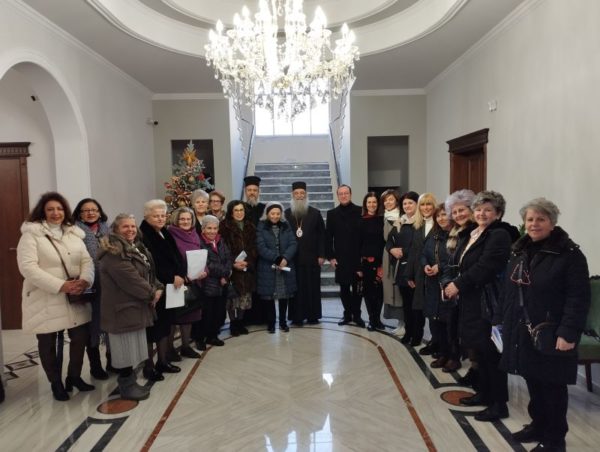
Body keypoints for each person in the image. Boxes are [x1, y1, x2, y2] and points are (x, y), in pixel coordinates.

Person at [500, 198, 590, 452]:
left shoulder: (569, 254)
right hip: (523, 329)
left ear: (552, 223)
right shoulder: (520, 251)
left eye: (541, 219)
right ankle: (538, 425)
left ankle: (554, 440)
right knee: (533, 381)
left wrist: (568, 333)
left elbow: (578, 298)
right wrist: (502, 322)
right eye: (530, 219)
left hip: (553, 331)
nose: (534, 224)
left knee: (552, 387)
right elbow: (510, 291)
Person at [17, 192, 95, 401]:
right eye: (50, 209)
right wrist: (60, 286)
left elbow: (86, 261)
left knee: (80, 337)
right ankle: (55, 383)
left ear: (65, 211)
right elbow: (28, 268)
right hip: (45, 296)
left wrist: (85, 280)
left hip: (75, 295)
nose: (56, 213)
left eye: (60, 209)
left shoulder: (73, 234)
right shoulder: (31, 235)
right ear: (42, 211)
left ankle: (74, 377)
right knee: (48, 341)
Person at [442, 190, 512, 422]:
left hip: (487, 302)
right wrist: (452, 283)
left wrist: (457, 285)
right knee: (479, 352)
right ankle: (483, 393)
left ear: (498, 213)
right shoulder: (474, 233)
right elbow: (461, 264)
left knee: (490, 354)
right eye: (479, 209)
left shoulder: (499, 235)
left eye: (488, 210)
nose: (482, 213)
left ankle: (498, 404)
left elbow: (486, 267)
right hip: (471, 300)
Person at [98, 214, 163, 400]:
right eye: (125, 226)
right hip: (122, 308)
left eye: (133, 226)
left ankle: (130, 382)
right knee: (124, 351)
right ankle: (126, 386)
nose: (131, 230)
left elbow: (148, 272)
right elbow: (131, 280)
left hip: (133, 306)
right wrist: (152, 293)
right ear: (116, 229)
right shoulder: (114, 251)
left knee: (131, 349)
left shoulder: (133, 246)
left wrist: (157, 286)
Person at [139, 199, 185, 379]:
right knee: (152, 329)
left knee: (165, 325)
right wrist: (172, 277)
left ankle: (163, 361)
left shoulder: (164, 231)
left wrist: (180, 273)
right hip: (155, 287)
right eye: (155, 216)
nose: (160, 219)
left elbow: (176, 256)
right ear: (146, 216)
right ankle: (149, 367)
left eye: (163, 215)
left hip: (171, 287)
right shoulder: (143, 234)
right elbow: (152, 263)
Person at [73, 198, 111, 380]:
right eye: (86, 210)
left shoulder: (107, 230)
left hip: (109, 285)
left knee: (110, 324)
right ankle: (95, 366)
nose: (90, 213)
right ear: (79, 214)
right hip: (88, 286)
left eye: (94, 209)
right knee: (91, 327)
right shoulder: (74, 232)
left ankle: (112, 360)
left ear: (99, 212)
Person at [284, 181, 326, 325]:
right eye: (296, 193)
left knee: (312, 287)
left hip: (312, 258)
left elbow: (322, 235)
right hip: (293, 259)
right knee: (295, 289)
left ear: (306, 194)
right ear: (292, 195)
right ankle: (297, 317)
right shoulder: (286, 214)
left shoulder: (315, 213)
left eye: (302, 193)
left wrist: (321, 255)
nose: (300, 196)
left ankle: (313, 316)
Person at [422, 203, 457, 371]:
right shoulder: (434, 235)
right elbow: (424, 253)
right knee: (436, 320)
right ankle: (443, 353)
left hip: (448, 283)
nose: (441, 218)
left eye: (444, 214)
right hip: (432, 284)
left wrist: (440, 267)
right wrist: (425, 265)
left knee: (450, 322)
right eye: (438, 216)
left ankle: (454, 357)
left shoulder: (457, 236)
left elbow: (456, 259)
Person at [167, 207, 207, 357]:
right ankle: (169, 349)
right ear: (176, 220)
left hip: (195, 282)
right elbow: (169, 261)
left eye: (188, 219)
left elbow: (202, 255)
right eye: (182, 219)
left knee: (190, 316)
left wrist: (205, 271)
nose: (185, 222)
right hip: (178, 283)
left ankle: (185, 346)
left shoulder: (195, 234)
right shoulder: (170, 235)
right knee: (174, 318)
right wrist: (183, 276)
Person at [326, 185, 365, 327]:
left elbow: (364, 237)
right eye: (341, 194)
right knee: (344, 288)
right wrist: (331, 257)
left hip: (357, 257)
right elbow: (328, 238)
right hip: (341, 258)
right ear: (337, 196)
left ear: (350, 194)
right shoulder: (332, 214)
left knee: (358, 289)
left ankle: (357, 315)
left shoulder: (360, 211)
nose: (343, 196)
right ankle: (347, 314)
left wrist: (363, 257)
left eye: (346, 193)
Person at [256, 202, 298, 333]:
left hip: (284, 266)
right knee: (269, 297)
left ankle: (283, 323)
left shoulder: (286, 225)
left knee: (284, 296)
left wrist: (285, 258)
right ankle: (271, 323)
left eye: (278, 213)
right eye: (272, 213)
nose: (275, 216)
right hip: (268, 267)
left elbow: (293, 243)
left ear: (281, 214)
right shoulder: (261, 226)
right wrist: (276, 258)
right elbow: (260, 247)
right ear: (267, 214)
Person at [219, 200, 257, 336]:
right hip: (231, 269)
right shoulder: (224, 226)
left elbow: (254, 247)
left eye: (241, 210)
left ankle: (240, 322)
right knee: (231, 299)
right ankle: (233, 323)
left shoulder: (250, 226)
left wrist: (247, 262)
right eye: (236, 210)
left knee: (244, 298)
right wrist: (233, 263)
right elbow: (222, 248)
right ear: (231, 212)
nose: (239, 213)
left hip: (246, 268)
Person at [386, 191, 419, 344]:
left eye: (410, 203)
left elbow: (417, 246)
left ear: (416, 204)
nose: (407, 206)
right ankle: (408, 332)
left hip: (415, 269)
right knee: (406, 304)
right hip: (401, 269)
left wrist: (403, 251)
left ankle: (416, 335)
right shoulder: (400, 221)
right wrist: (391, 249)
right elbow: (389, 241)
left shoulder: (420, 223)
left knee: (416, 305)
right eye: (405, 203)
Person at [406, 193, 438, 347]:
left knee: (433, 308)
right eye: (423, 205)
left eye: (428, 204)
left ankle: (435, 340)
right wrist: (409, 275)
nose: (426, 208)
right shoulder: (417, 226)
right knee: (417, 307)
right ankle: (417, 336)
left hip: (435, 272)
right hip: (418, 272)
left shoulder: (439, 225)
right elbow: (413, 252)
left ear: (434, 206)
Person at [198, 215, 233, 346]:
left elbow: (229, 259)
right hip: (208, 284)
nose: (212, 231)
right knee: (206, 314)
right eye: (209, 228)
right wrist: (224, 273)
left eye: (215, 228)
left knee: (218, 313)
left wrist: (225, 275)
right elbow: (207, 264)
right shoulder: (199, 243)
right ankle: (200, 339)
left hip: (221, 284)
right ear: (203, 229)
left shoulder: (221, 240)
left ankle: (212, 336)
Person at [358, 192, 385, 331]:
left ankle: (377, 319)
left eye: (374, 202)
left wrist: (383, 263)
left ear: (378, 204)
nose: (372, 204)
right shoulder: (360, 221)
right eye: (369, 202)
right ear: (365, 204)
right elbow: (357, 244)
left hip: (381, 262)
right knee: (368, 292)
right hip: (366, 263)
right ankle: (371, 320)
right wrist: (358, 266)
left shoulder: (383, 220)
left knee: (380, 292)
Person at [380, 189, 403, 333]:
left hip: (399, 256)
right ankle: (400, 323)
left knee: (400, 290)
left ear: (396, 201)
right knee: (391, 290)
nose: (388, 202)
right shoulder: (384, 217)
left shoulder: (402, 217)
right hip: (387, 256)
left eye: (391, 199)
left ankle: (404, 323)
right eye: (385, 200)